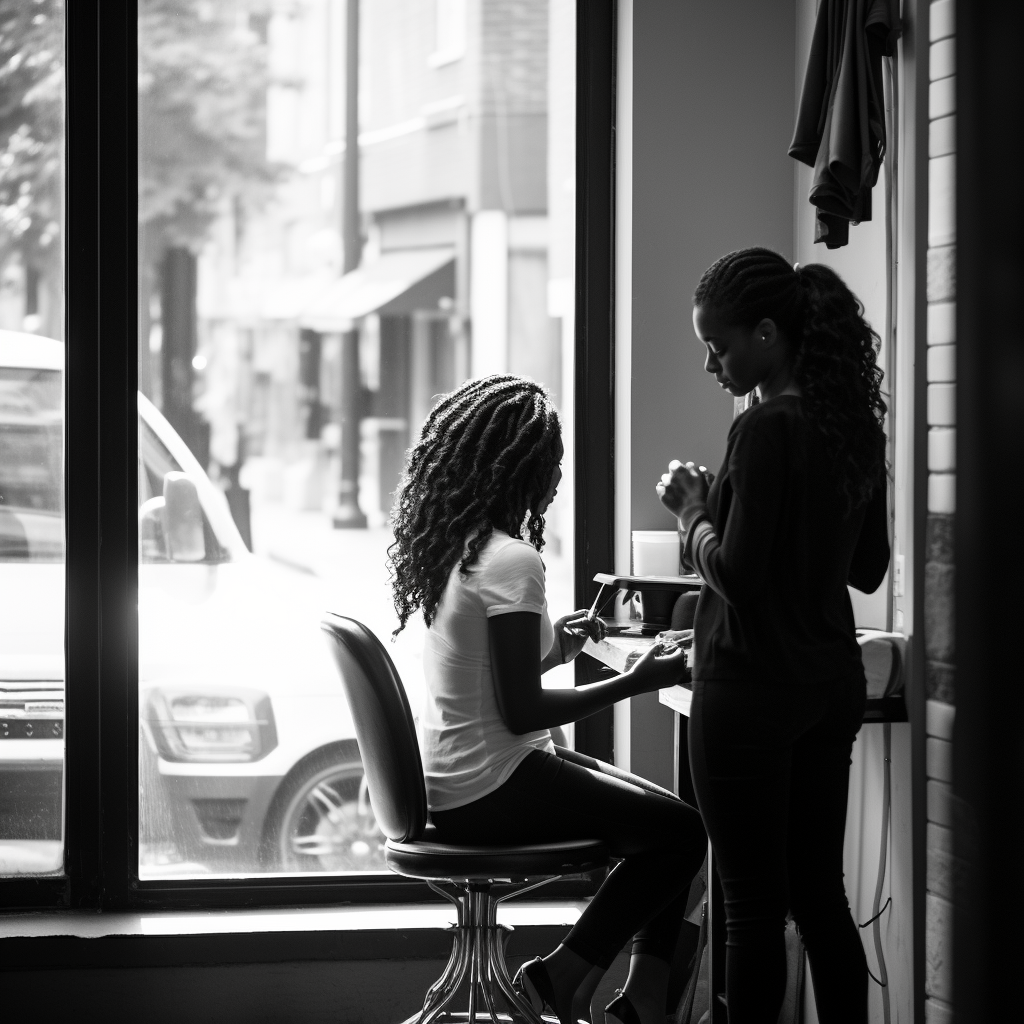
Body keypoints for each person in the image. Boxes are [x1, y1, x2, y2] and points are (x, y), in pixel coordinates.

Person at [389, 374, 708, 1024]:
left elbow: (488, 680)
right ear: (524, 466)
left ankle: (638, 1002)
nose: (559, 478)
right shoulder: (514, 560)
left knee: (670, 820)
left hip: (460, 778)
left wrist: (557, 655)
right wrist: (635, 679)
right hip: (493, 782)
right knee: (682, 834)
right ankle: (566, 979)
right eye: (553, 462)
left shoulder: (462, 545)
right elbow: (522, 711)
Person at [655, 247, 890, 1024]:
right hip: (828, 687)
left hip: (750, 689)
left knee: (751, 907)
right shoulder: (849, 425)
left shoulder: (763, 429)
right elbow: (868, 566)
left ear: (765, 334)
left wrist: (693, 512)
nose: (709, 363)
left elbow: (739, 577)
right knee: (822, 896)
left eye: (717, 347)